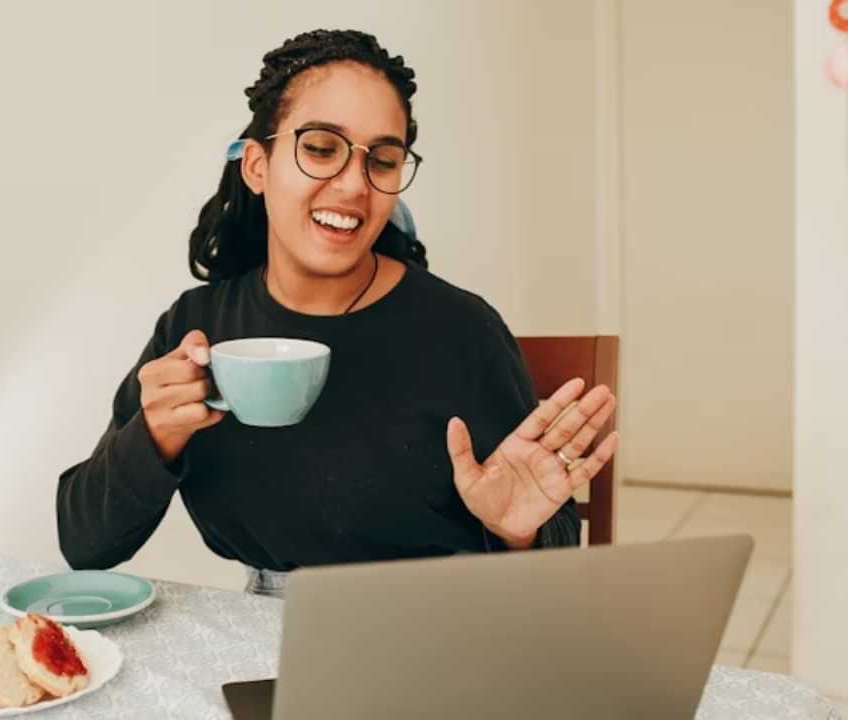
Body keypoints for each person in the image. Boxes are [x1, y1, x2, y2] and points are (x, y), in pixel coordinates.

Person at [56, 29, 618, 597]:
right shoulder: (195, 328)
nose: (354, 184)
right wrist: (153, 436)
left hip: (440, 631)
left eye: (383, 159)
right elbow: (85, 544)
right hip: (259, 636)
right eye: (321, 148)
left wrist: (512, 532)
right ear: (257, 165)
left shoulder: (460, 331)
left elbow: (552, 551)